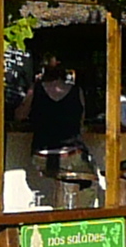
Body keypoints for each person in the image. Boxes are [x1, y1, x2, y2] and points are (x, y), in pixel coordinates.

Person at [16, 60, 87, 198]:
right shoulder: (77, 91)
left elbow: (19, 115)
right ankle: (74, 212)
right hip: (71, 154)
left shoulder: (35, 89)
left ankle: (62, 206)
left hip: (41, 156)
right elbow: (81, 123)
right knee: (90, 183)